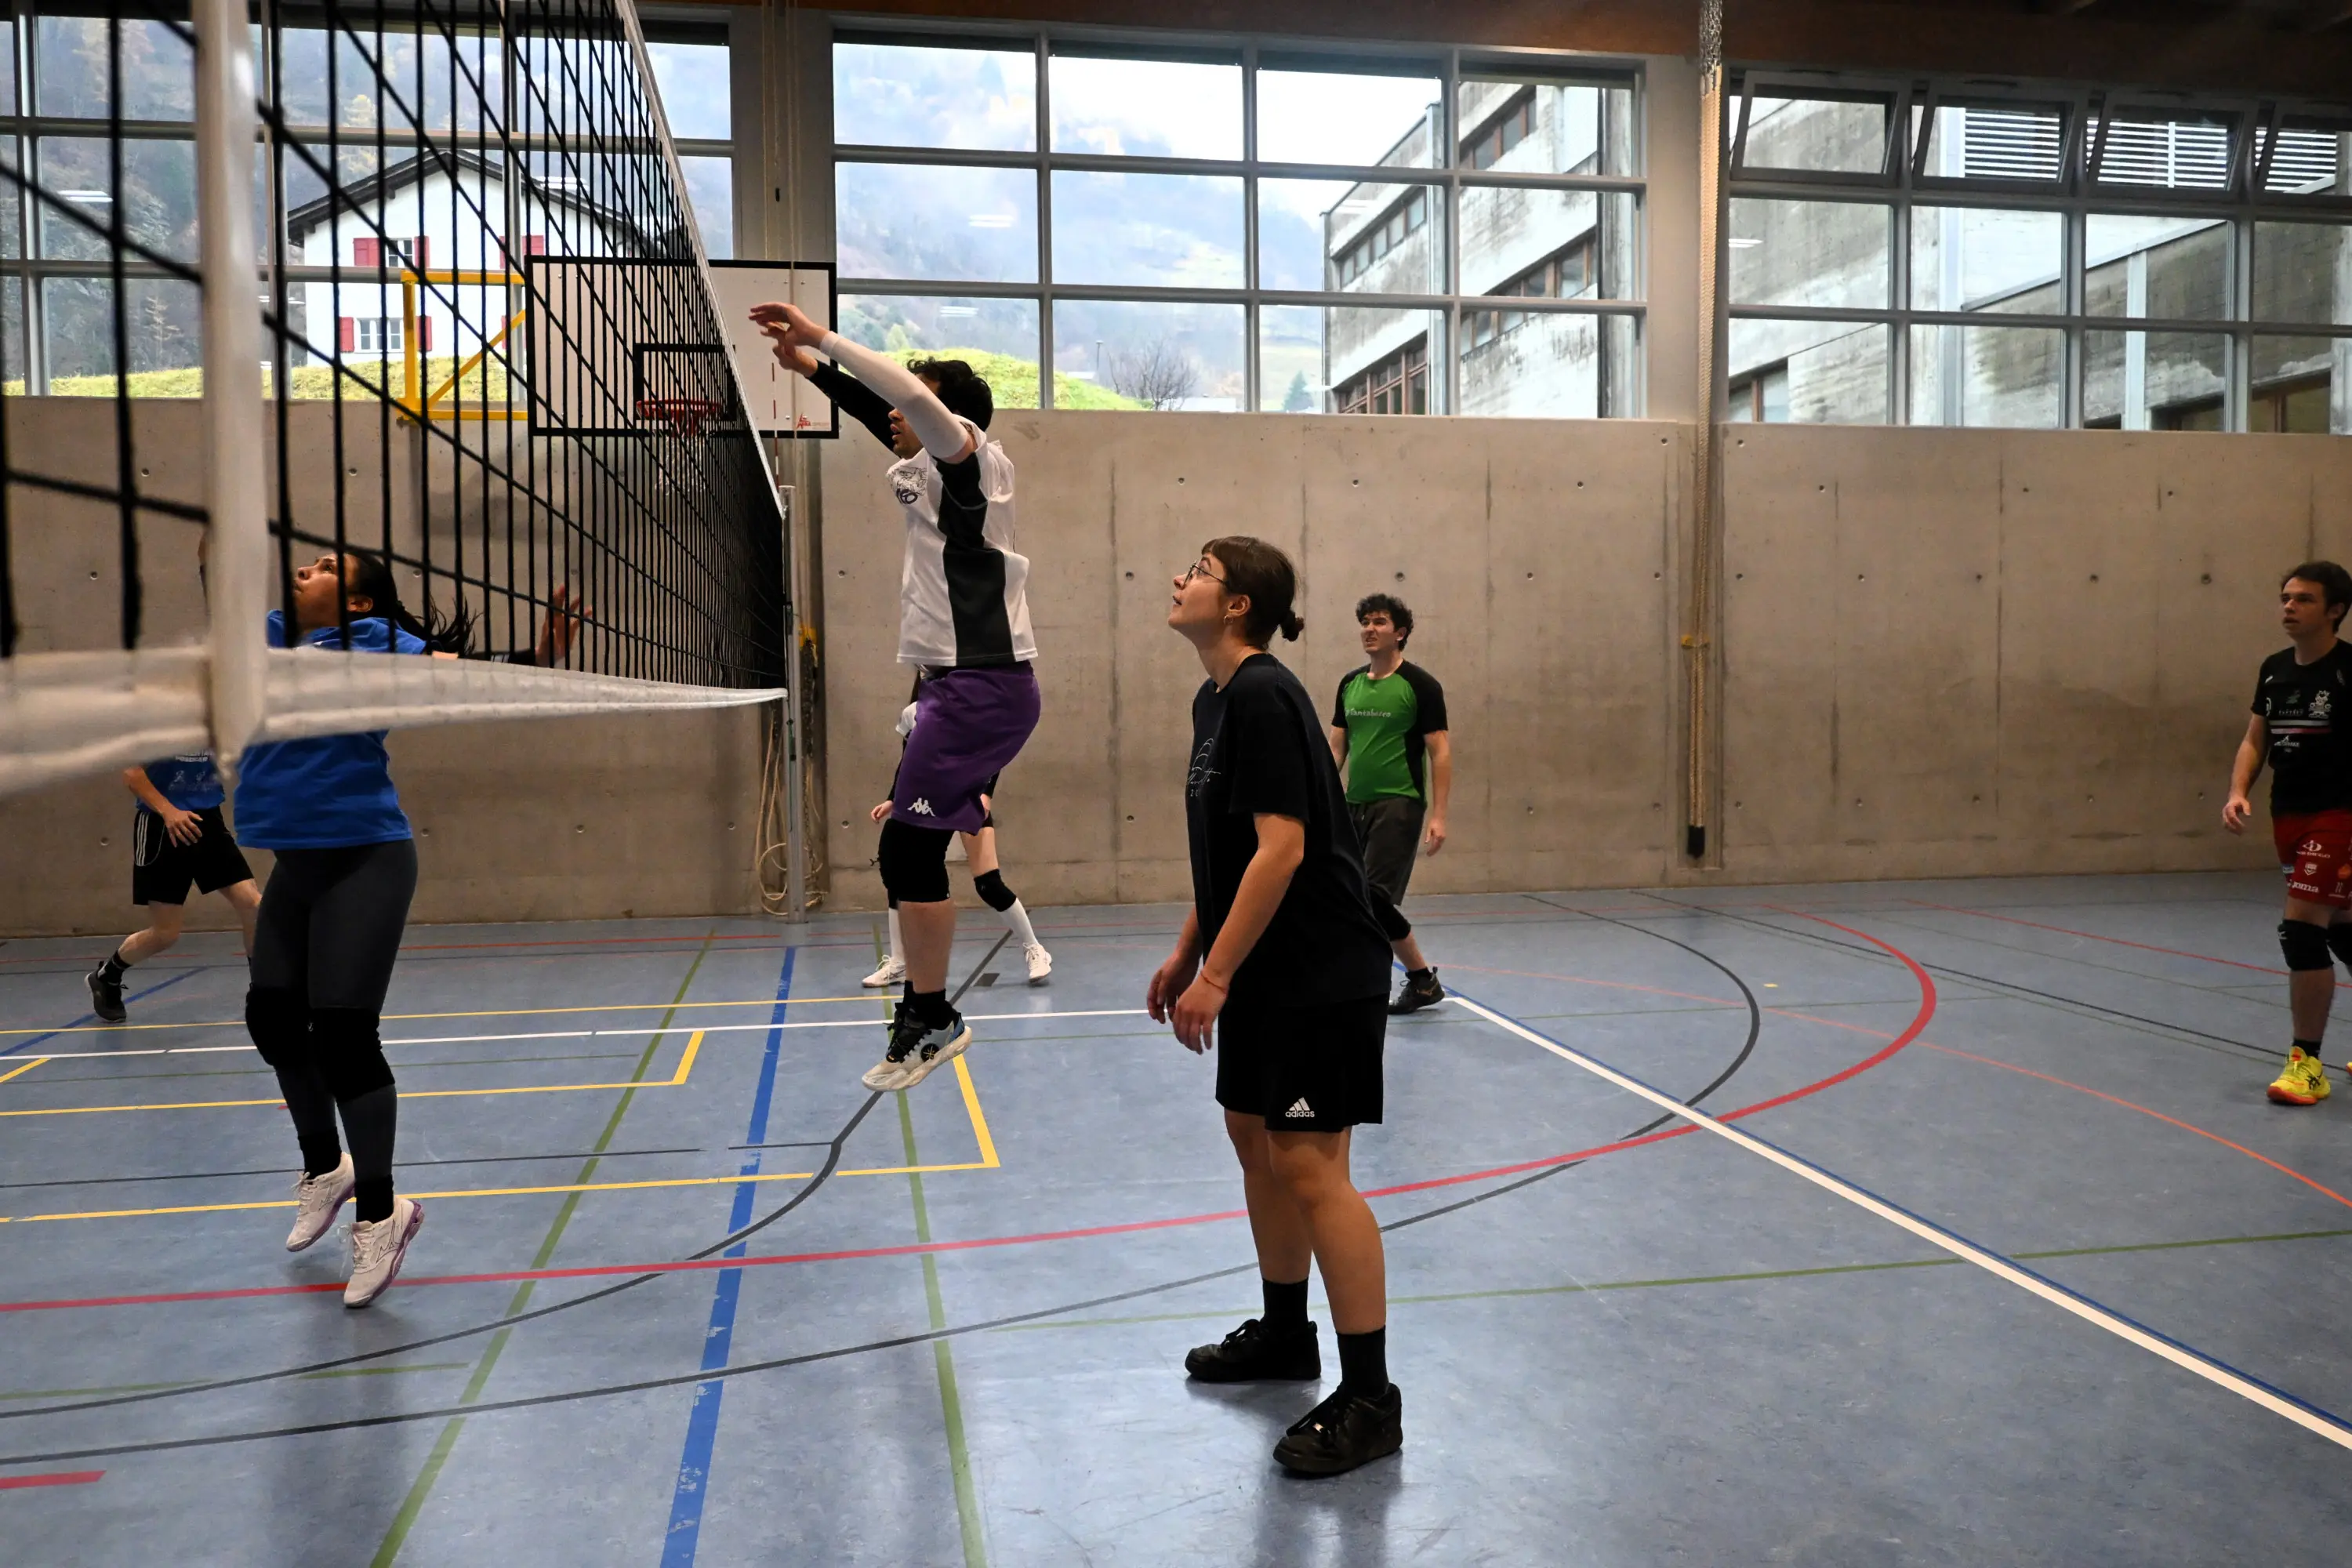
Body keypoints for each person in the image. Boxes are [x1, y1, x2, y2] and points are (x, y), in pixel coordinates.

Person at [1148, 536, 1403, 1478]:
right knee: (1251, 1135)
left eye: (1198, 569)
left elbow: (1285, 849)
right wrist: (1191, 950)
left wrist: (1216, 973)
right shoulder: (1214, 699)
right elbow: (1232, 847)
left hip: (1318, 966)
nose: (1179, 579)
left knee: (1310, 1165)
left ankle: (1373, 1395)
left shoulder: (1262, 691)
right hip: (1260, 960)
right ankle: (1287, 1333)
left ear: (1240, 602)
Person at [753, 301, 1040, 1092]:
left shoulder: (971, 462)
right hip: (959, 688)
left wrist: (825, 338)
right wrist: (814, 374)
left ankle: (932, 1014)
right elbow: (882, 409)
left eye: (914, 398)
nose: (896, 410)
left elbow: (911, 404)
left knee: (906, 851)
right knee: (906, 851)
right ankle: (928, 1012)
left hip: (983, 687)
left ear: (948, 413)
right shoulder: (926, 469)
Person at [234, 549, 463, 1306]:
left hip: (366, 856)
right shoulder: (271, 635)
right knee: (271, 1018)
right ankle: (324, 1167)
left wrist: (535, 658)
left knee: (343, 1035)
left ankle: (380, 1213)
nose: (306, 566)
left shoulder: (375, 643)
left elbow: (445, 665)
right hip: (297, 863)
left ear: (359, 602)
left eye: (328, 564)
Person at [2226, 561, 2352, 1108]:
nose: (2288, 607)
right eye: (2285, 597)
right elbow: (2256, 738)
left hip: (2341, 814)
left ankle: (2307, 1064)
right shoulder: (2275, 670)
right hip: (2290, 815)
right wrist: (2238, 791)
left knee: (2301, 928)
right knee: (2343, 929)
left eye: (2302, 599)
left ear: (2335, 611)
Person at [864, 688, 1052, 988]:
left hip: (965, 799)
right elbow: (908, 763)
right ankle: (900, 962)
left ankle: (1035, 949)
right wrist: (892, 799)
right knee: (899, 878)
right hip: (922, 803)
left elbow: (994, 756)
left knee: (988, 882)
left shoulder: (972, 710)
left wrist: (985, 793)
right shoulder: (913, 713)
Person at [1328, 593, 1452, 1014]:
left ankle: (1374, 979)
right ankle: (1422, 982)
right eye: (1365, 621)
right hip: (1352, 804)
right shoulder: (1350, 684)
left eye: (1379, 622)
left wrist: (1438, 815)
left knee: (1374, 898)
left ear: (1399, 633)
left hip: (1399, 803)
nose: (1369, 628)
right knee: (1351, 895)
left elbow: (1440, 752)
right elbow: (1337, 747)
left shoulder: (1420, 686)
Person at [85, 753, 261, 1023]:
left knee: (253, 905)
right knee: (166, 934)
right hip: (161, 827)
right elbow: (132, 773)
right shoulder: (157, 721)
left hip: (207, 822)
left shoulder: (216, 721)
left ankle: (262, 992)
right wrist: (169, 812)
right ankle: (107, 976)